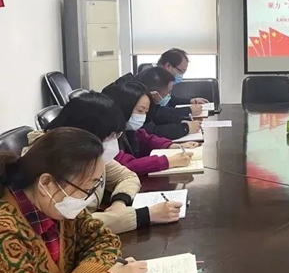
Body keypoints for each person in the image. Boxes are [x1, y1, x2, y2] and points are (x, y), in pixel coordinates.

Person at [0, 128, 147, 273]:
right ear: (47, 183)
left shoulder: (57, 206)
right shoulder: (6, 231)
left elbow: (105, 240)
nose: (87, 198)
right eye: (85, 188)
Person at [45, 93, 183, 232]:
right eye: (110, 136)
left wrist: (119, 202)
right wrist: (144, 216)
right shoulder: (50, 163)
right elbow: (68, 226)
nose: (113, 142)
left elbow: (127, 176)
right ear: (89, 133)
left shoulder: (88, 155)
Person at [103, 81, 199, 177]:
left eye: (145, 112)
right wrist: (168, 161)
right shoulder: (108, 133)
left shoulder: (129, 129)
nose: (142, 116)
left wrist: (172, 146)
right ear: (124, 107)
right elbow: (124, 166)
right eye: (140, 110)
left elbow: (147, 139)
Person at [136, 67, 202, 140]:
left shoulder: (144, 97)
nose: (169, 96)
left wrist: (181, 120)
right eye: (168, 93)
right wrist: (185, 128)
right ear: (154, 94)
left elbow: (159, 115)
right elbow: (152, 132)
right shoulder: (137, 105)